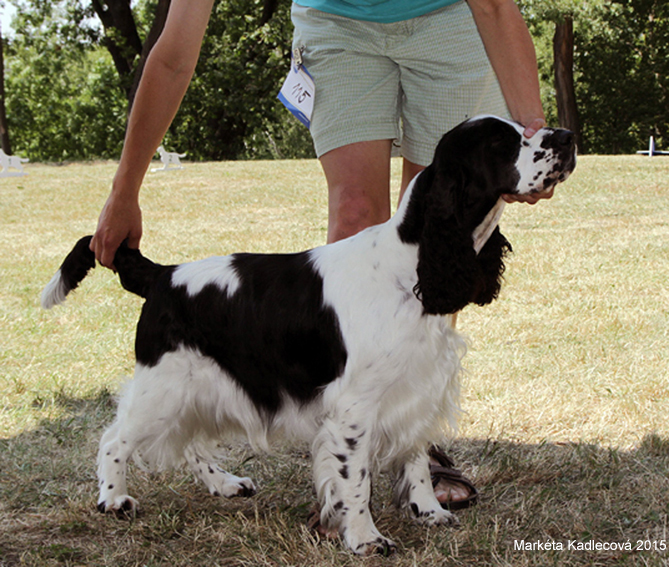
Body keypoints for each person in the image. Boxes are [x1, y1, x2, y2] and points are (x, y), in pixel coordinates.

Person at [90, 0, 550, 514]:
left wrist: (533, 138)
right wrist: (125, 186)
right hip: (338, 24)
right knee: (356, 213)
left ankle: (413, 446)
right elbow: (173, 53)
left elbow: (494, 5)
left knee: (438, 225)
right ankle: (346, 447)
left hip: (449, 20)